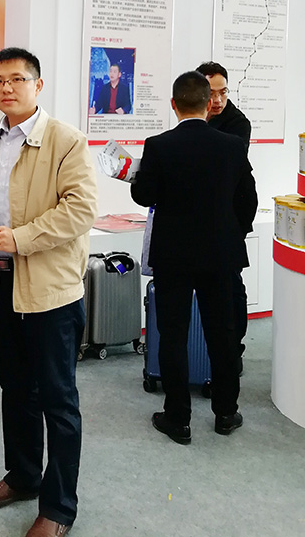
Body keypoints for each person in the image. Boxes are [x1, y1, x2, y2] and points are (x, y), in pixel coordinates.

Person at [0, 47, 97, 537]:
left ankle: (58, 508)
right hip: (1, 282)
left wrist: (19, 239)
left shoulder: (66, 140)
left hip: (50, 290)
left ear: (38, 85)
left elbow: (80, 210)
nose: (6, 88)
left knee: (58, 398)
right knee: (15, 387)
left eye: (17, 79)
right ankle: (22, 477)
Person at [130, 71, 257, 445]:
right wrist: (234, 234)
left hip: (173, 255)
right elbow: (248, 198)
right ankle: (226, 412)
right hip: (221, 254)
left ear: (173, 104)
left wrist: (136, 177)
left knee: (173, 335)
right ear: (208, 104)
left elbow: (144, 195)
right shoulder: (232, 146)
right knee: (223, 333)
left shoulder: (158, 146)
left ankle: (177, 418)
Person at [196, 61, 252, 373]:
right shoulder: (194, 117)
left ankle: (234, 350)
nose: (218, 100)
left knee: (231, 287)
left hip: (228, 217)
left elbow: (223, 168)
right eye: (211, 93)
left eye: (223, 92)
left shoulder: (238, 123)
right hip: (197, 218)